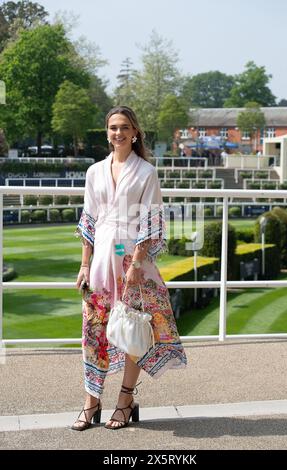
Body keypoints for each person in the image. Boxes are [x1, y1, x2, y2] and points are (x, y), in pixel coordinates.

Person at [72, 106, 187, 431]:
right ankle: (91, 402)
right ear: (107, 132)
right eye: (112, 127)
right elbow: (89, 221)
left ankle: (125, 400)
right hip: (100, 263)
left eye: (124, 127)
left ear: (134, 133)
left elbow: (151, 221)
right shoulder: (94, 172)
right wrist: (84, 263)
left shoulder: (146, 172)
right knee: (94, 332)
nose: (118, 133)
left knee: (133, 330)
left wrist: (137, 262)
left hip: (132, 262)